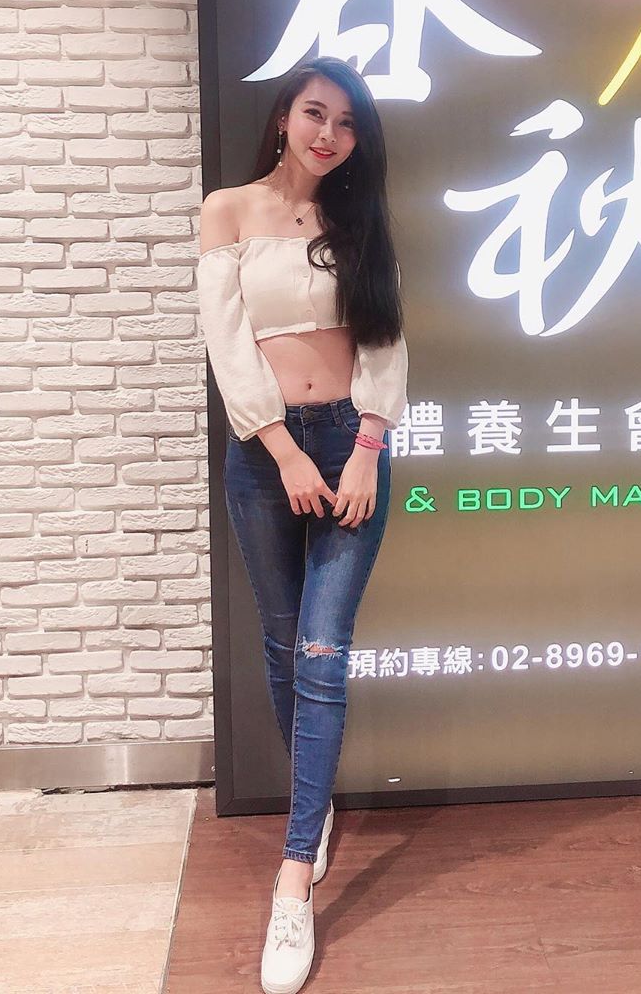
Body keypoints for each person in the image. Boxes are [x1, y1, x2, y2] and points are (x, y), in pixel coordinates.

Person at [196, 56, 409, 994]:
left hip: (350, 446)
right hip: (266, 454)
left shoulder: (359, 220)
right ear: (285, 115)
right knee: (284, 646)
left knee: (323, 651)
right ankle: (312, 813)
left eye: (348, 123)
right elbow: (227, 341)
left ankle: (292, 884)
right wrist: (282, 450)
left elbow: (386, 341)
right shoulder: (229, 211)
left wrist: (365, 447)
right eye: (317, 113)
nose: (330, 134)